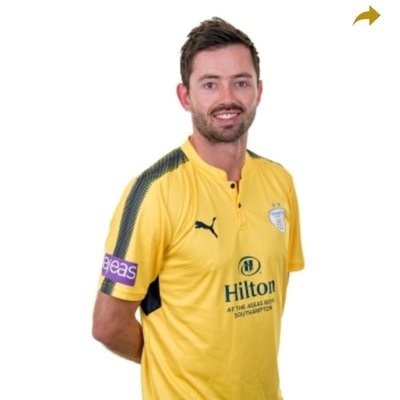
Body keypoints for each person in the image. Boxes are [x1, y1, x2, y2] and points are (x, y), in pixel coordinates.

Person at [92, 16, 304, 400]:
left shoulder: (280, 183)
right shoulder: (154, 192)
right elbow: (108, 325)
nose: (227, 98)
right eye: (210, 84)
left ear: (258, 91)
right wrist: (170, 362)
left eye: (240, 82)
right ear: (185, 96)